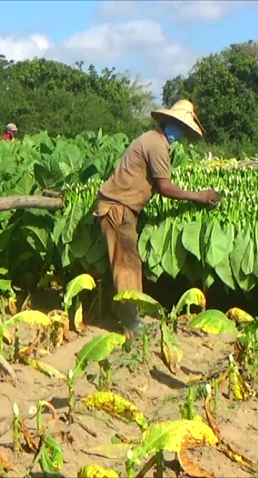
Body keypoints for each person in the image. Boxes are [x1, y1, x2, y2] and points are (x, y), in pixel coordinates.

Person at [93, 100, 220, 335]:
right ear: (169, 122)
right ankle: (132, 327)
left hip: (121, 207)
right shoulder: (156, 144)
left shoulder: (154, 140)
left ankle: (125, 316)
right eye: (180, 128)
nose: (180, 135)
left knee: (125, 263)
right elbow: (164, 187)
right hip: (118, 209)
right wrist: (199, 196)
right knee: (126, 266)